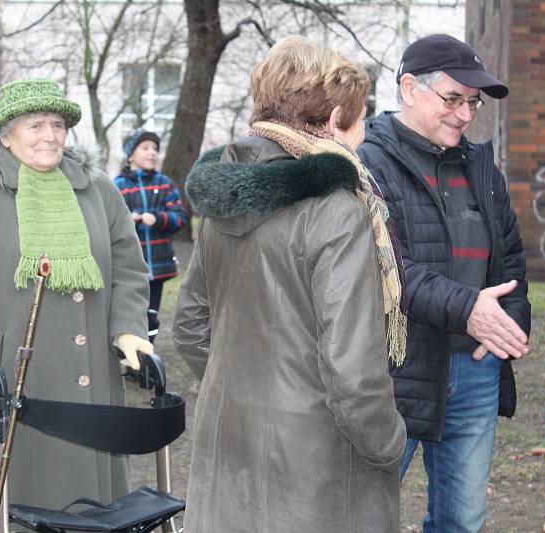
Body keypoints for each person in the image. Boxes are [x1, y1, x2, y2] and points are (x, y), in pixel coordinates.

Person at [173, 36, 407, 532]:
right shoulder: (336, 210)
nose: (364, 135)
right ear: (332, 119)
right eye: (361, 118)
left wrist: (241, 390)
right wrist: (390, 446)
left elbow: (190, 326)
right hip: (316, 464)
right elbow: (354, 374)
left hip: (229, 441)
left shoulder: (223, 200)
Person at [0, 78, 152, 532]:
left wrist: (128, 329)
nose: (50, 135)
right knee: (20, 505)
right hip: (13, 377)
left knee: (95, 509)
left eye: (58, 124)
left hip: (93, 377)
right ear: (6, 133)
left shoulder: (96, 188)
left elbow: (127, 267)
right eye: (36, 124)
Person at [357, 34, 531, 532]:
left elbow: (511, 260)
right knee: (367, 513)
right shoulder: (368, 164)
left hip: (476, 373)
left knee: (463, 518)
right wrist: (470, 311)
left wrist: (507, 325)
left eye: (472, 102)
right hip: (395, 374)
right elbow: (387, 266)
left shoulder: (480, 166)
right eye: (452, 99)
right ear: (409, 88)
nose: (465, 114)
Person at [113, 128, 187, 343]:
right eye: (145, 148)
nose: (152, 152)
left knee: (151, 316)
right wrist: (129, 221)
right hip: (130, 266)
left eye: (155, 148)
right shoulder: (117, 186)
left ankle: (147, 356)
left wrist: (159, 218)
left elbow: (180, 217)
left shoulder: (164, 184)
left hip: (159, 264)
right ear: (130, 155)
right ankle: (129, 354)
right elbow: (108, 222)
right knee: (133, 312)